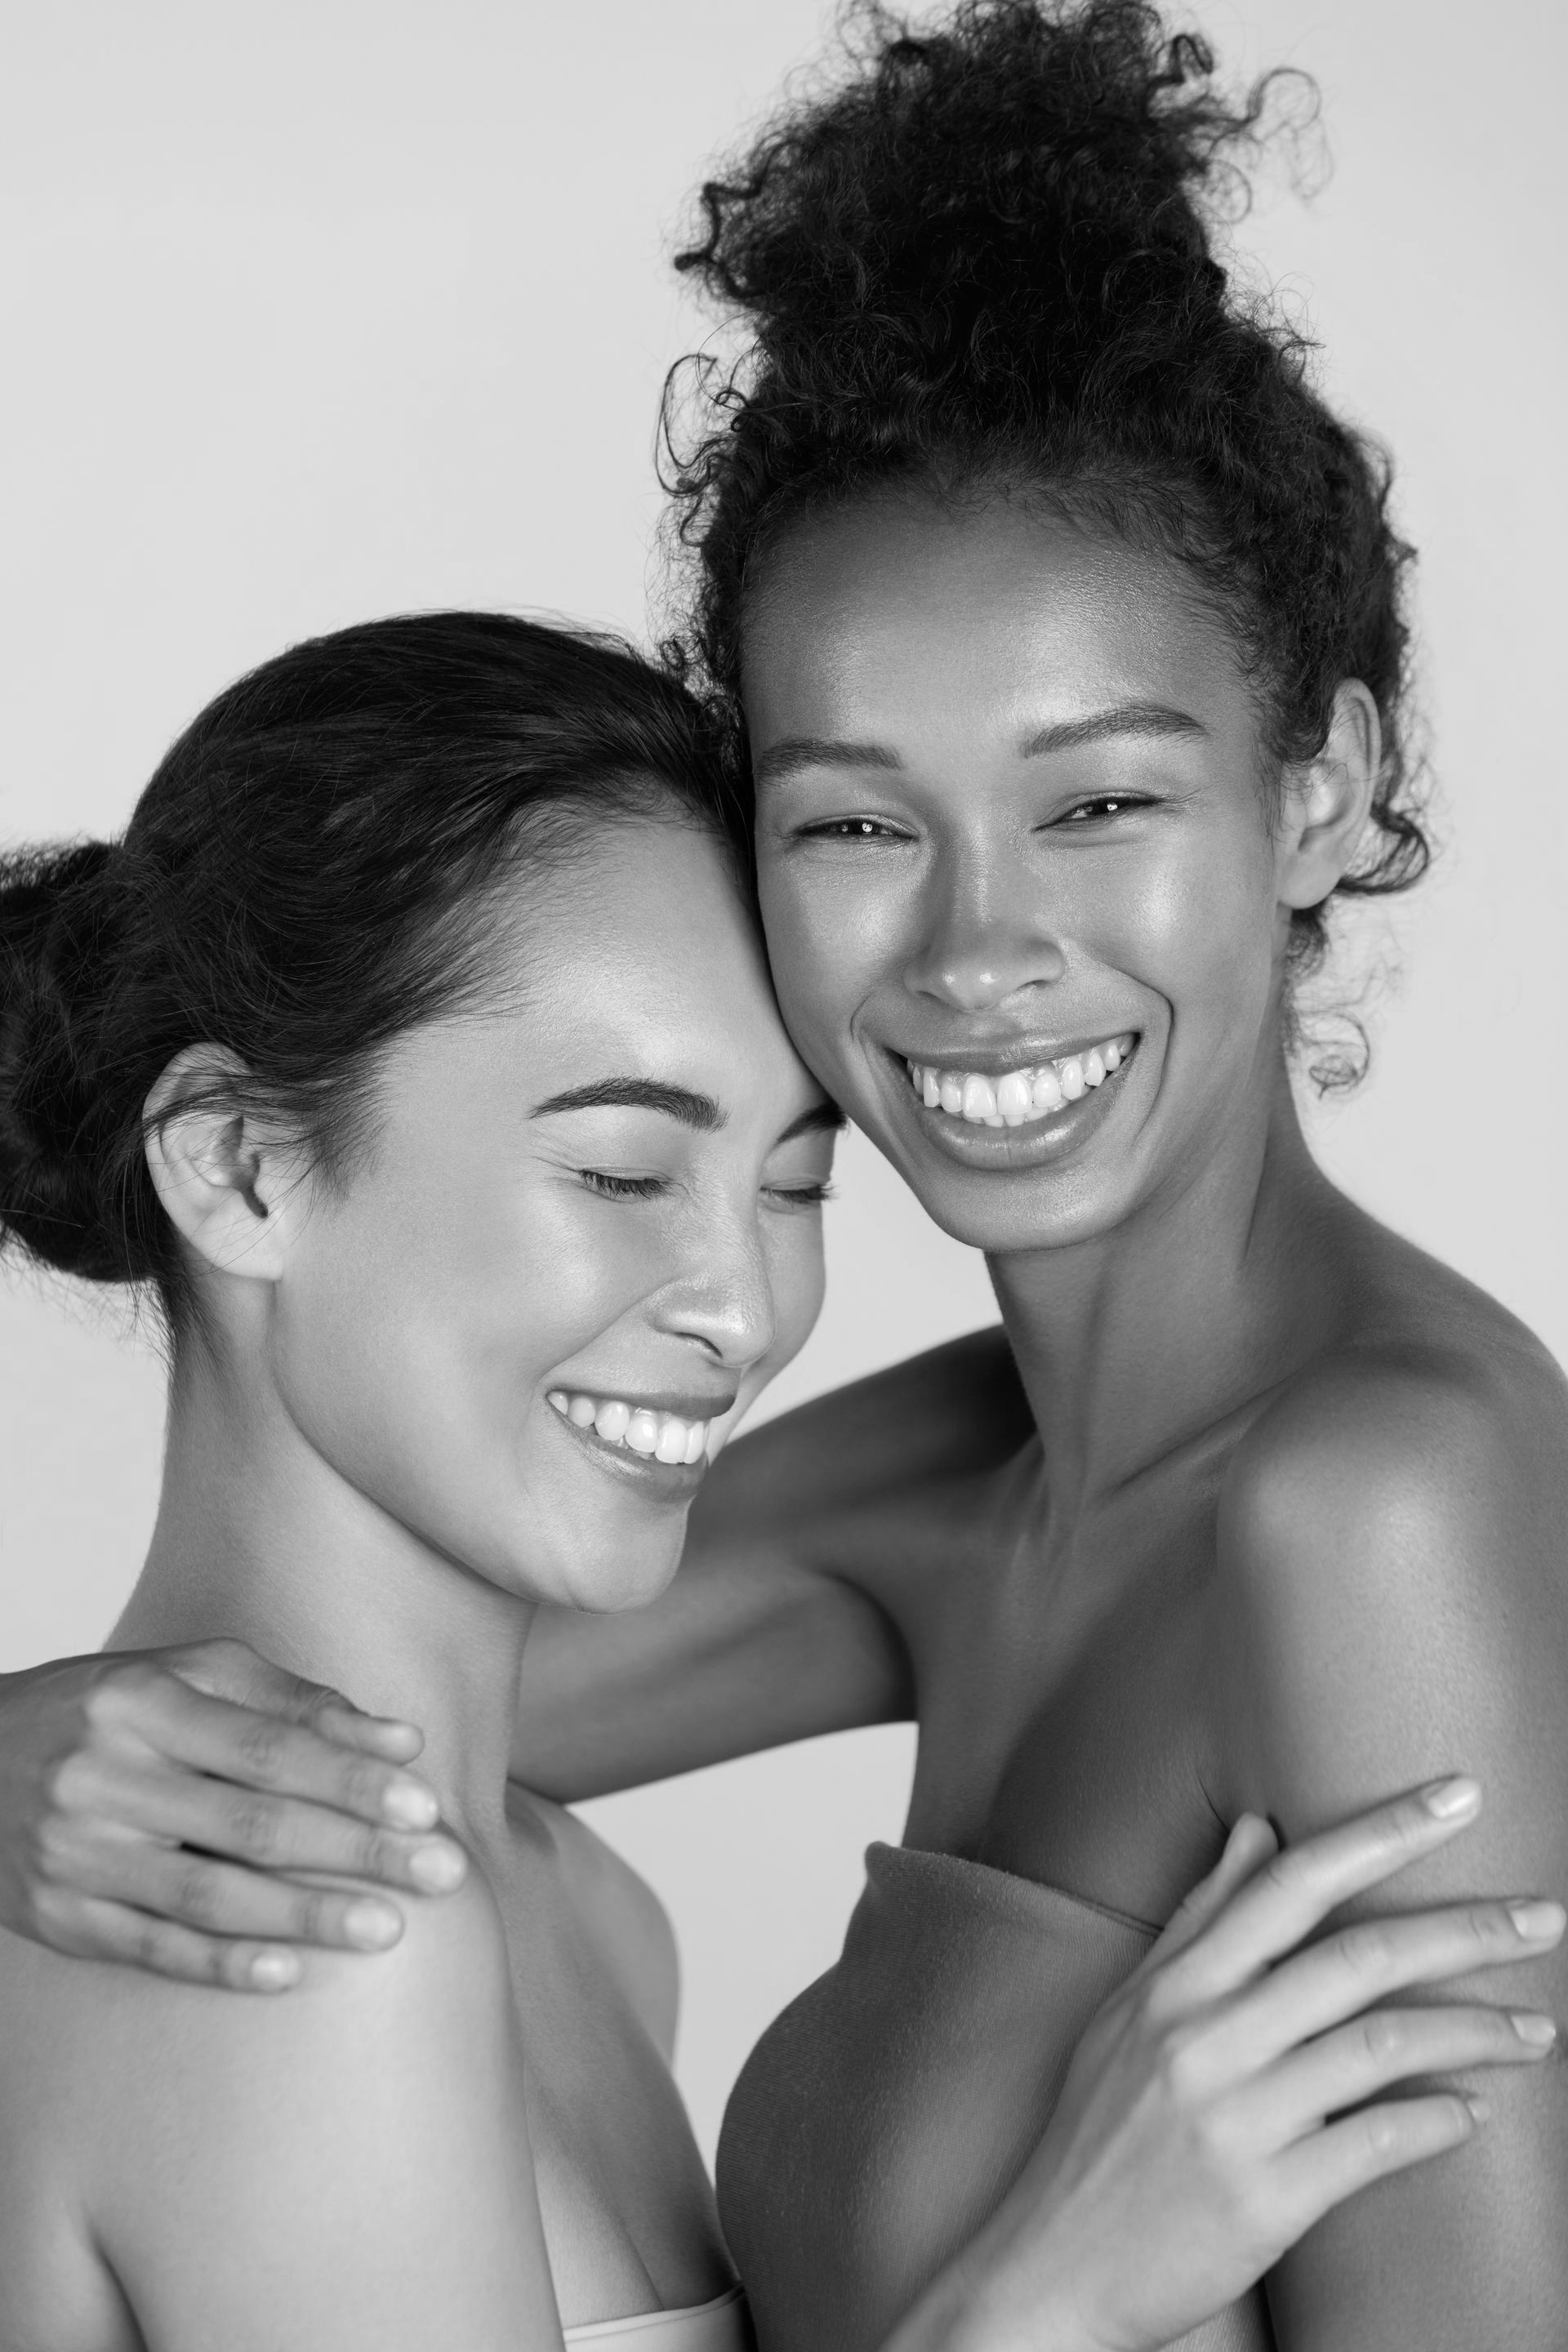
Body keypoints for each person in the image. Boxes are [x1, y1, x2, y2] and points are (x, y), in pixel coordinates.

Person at [2, 2, 1566, 2345]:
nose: (976, 950)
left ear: (1324, 789)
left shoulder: (1368, 1503)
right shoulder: (968, 1489)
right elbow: (388, 1711)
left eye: (1106, 800)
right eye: (854, 819)